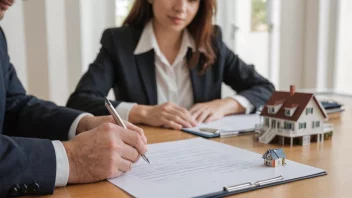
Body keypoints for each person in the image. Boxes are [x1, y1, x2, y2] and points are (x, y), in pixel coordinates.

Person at [0, 0, 148, 197]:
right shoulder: (119, 40)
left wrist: (83, 124)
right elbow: (83, 97)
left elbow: (15, 106)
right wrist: (71, 159)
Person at [67, 0, 275, 130]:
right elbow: (80, 101)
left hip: (205, 153)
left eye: (192, 0)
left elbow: (265, 89)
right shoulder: (119, 42)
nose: (181, 7)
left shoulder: (211, 42)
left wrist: (225, 105)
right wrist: (145, 113)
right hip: (146, 153)